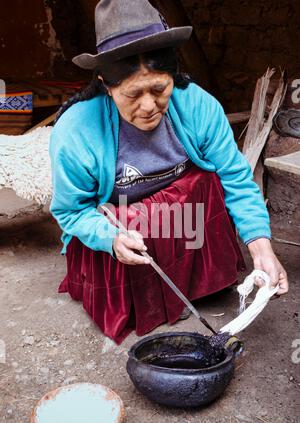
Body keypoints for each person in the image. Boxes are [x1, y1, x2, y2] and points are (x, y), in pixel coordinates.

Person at [49, 0, 288, 344]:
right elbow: (71, 212)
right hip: (120, 225)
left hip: (179, 216)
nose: (148, 106)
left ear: (173, 76)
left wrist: (261, 247)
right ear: (105, 84)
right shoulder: (76, 130)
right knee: (123, 222)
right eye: (132, 94)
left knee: (208, 179)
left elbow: (234, 176)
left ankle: (197, 281)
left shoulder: (197, 105)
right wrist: (109, 238)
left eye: (159, 89)